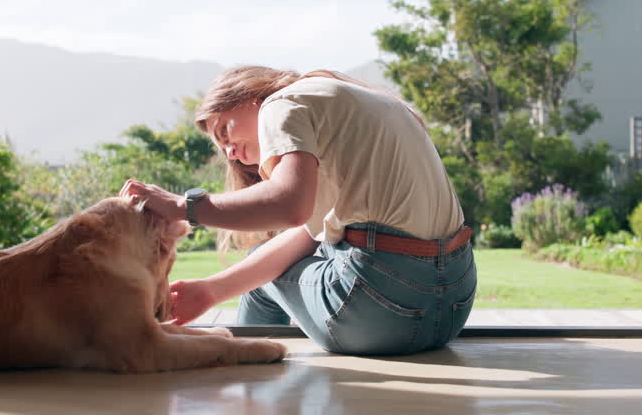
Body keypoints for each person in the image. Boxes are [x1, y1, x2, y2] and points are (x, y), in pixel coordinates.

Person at [119, 65, 476, 355]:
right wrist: (210, 291)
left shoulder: (280, 104)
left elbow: (288, 206)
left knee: (262, 278)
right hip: (452, 309)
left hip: (379, 311)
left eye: (224, 130)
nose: (229, 152)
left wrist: (183, 206)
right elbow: (304, 232)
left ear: (252, 98)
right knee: (277, 257)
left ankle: (245, 382)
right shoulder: (350, 105)